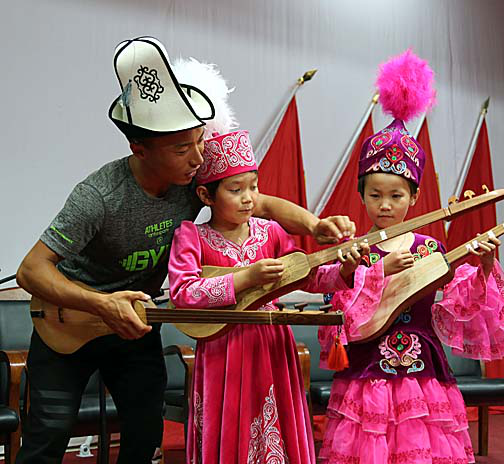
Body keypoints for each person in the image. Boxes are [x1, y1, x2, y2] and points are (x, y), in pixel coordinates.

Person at [15, 37, 355, 464]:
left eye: (198, 141)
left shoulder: (191, 184)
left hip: (136, 324)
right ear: (139, 149)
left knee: (145, 436)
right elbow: (31, 270)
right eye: (182, 148)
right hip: (70, 324)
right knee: (46, 439)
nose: (197, 158)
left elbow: (262, 203)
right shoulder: (99, 196)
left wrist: (314, 226)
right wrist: (101, 303)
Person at [317, 50, 504, 464]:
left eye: (396, 195)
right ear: (361, 195)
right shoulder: (354, 250)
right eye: (375, 195)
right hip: (367, 370)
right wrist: (377, 271)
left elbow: (457, 305)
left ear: (413, 196)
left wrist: (483, 267)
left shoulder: (430, 249)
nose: (385, 205)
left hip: (423, 371)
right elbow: (339, 318)